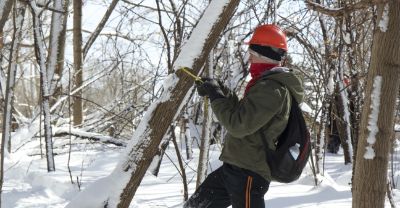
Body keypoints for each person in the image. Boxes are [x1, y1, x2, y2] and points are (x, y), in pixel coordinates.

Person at [183, 24, 304, 208]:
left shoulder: (272, 90)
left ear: (264, 55)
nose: (249, 59)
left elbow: (238, 125)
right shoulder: (264, 85)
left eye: (252, 54)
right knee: (196, 205)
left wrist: (216, 98)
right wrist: (219, 89)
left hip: (249, 172)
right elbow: (242, 112)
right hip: (235, 166)